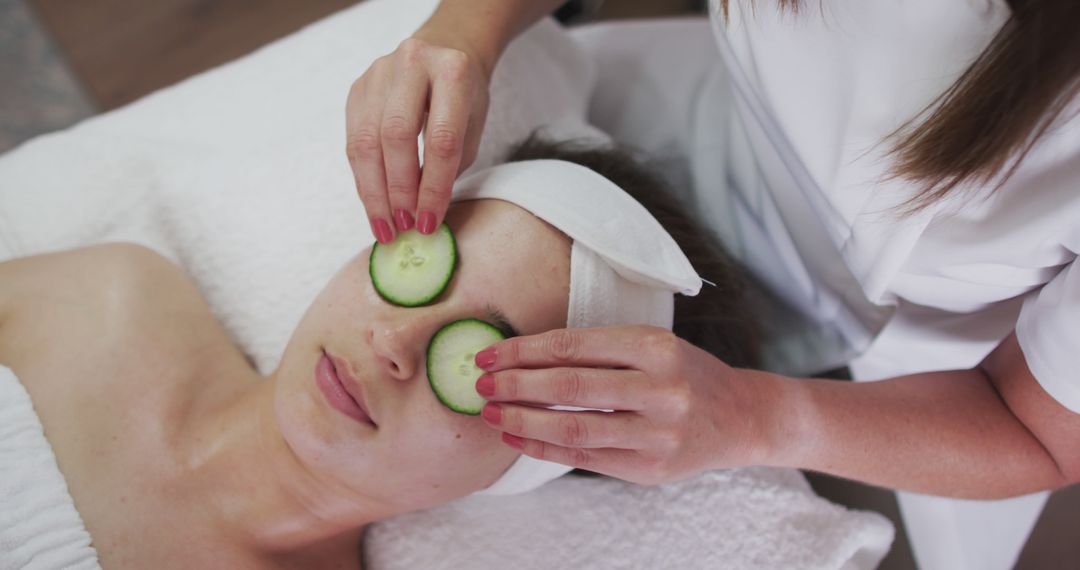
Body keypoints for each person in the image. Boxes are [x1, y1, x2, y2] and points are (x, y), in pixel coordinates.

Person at [344, 1, 1080, 568]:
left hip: (849, 322)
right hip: (679, 88)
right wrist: (465, 28)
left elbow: (1035, 429)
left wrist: (758, 417)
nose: (393, 343)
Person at [0, 137, 759, 568]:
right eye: (422, 269)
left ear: (532, 460)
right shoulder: (111, 302)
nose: (394, 343)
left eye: (476, 360)